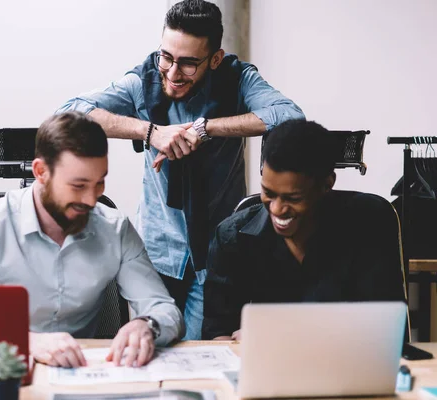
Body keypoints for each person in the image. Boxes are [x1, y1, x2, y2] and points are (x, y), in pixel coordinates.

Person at [57, 0, 305, 340]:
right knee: (150, 350)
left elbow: (290, 116)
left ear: (215, 59)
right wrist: (150, 132)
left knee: (201, 354)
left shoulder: (238, 79)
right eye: (167, 57)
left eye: (189, 64)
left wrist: (205, 129)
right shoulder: (143, 81)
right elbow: (70, 112)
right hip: (157, 251)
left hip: (216, 254)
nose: (173, 74)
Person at [0, 112, 184, 368]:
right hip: (4, 370)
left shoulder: (116, 229)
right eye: (78, 186)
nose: (91, 200)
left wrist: (147, 325)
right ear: (41, 172)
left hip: (81, 373)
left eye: (99, 183)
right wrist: (28, 342)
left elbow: (165, 310)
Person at [202, 119, 406, 340]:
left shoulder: (367, 226)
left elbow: (386, 326)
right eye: (268, 193)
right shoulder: (232, 237)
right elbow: (217, 336)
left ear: (327, 185)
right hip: (265, 369)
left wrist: (278, 333)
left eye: (293, 198)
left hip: (349, 367)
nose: (277, 209)